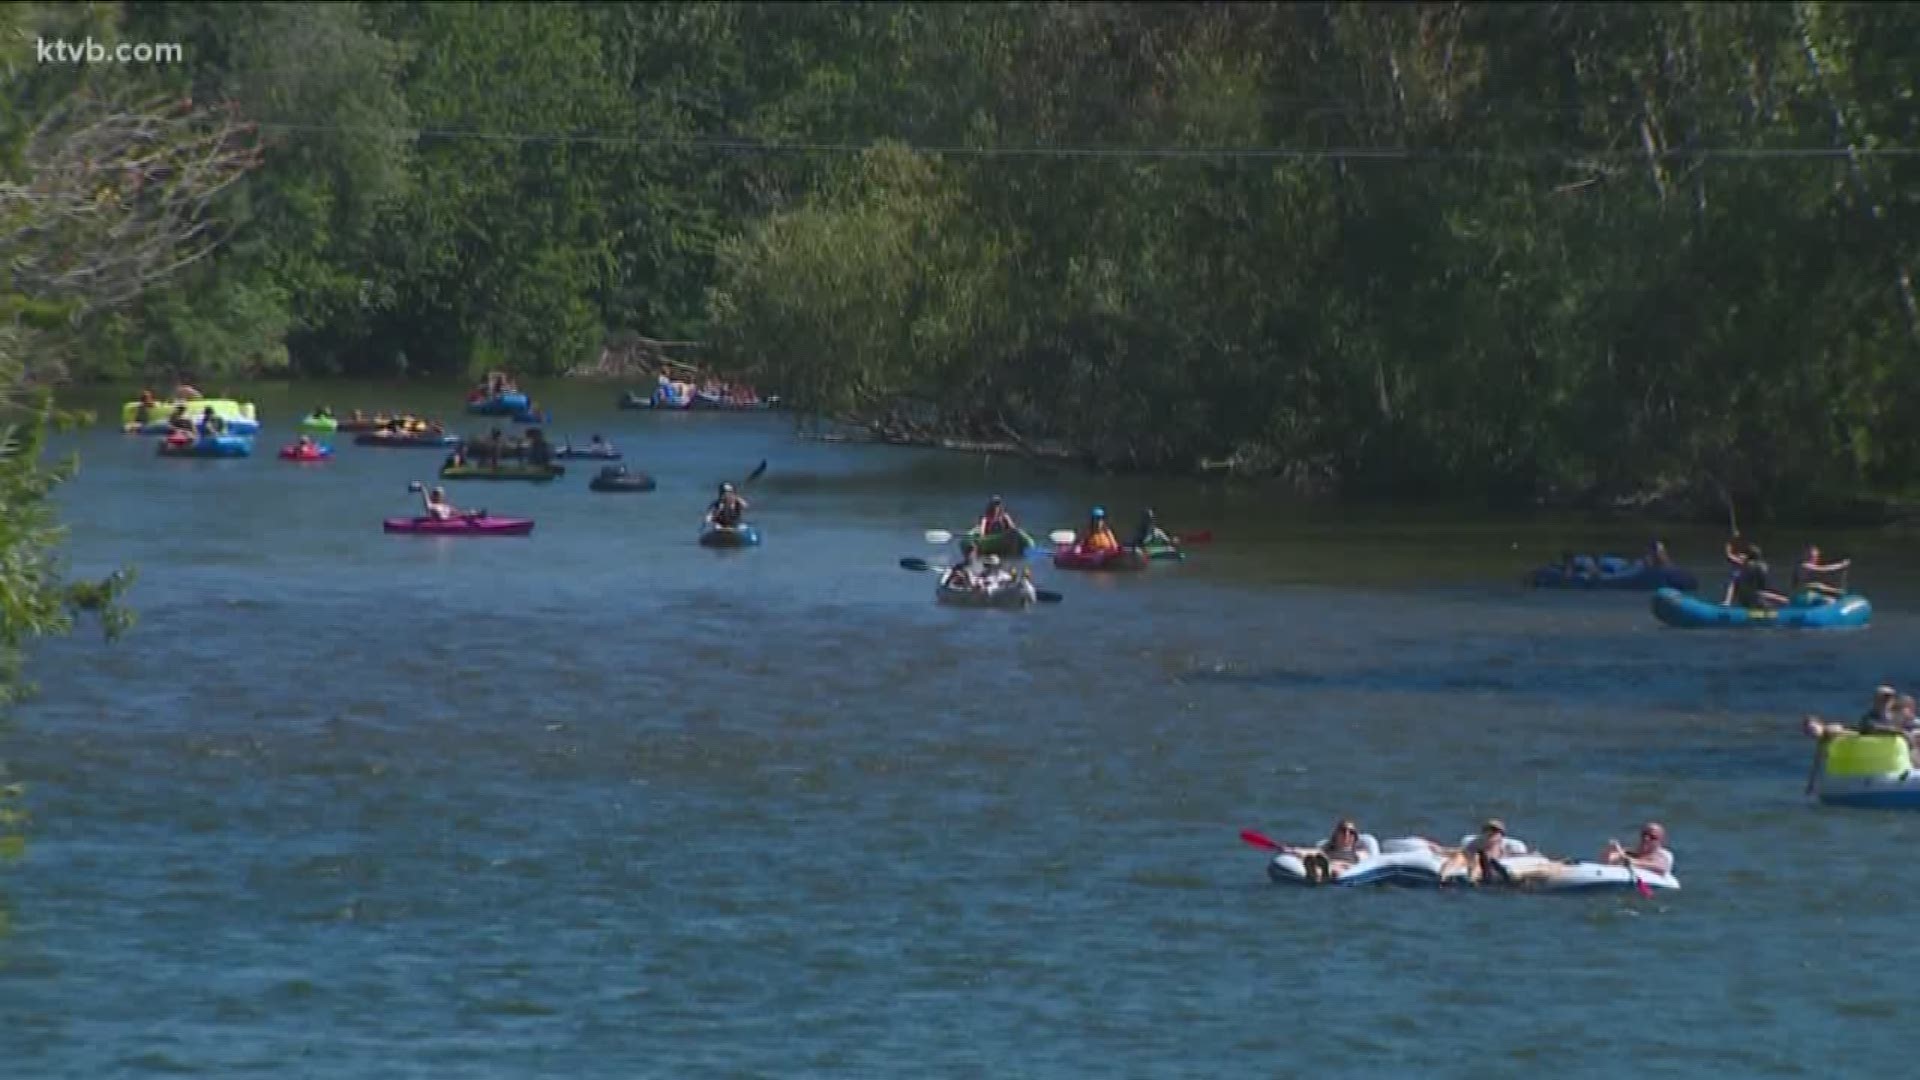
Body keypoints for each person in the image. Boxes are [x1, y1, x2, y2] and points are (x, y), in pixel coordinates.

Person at [1283, 818, 1382, 883]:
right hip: (1326, 864)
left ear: (1355, 837)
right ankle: (1317, 873)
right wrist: (1291, 850)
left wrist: (1343, 865)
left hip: (1344, 870)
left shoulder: (1358, 853)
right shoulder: (1325, 850)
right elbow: (1312, 851)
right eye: (1343, 831)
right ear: (1336, 834)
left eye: (1351, 832)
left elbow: (1367, 865)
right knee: (1316, 859)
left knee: (1337, 869)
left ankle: (1321, 873)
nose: (1347, 834)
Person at [1722, 539, 1784, 608]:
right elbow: (1731, 557)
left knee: (1735, 580)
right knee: (1734, 579)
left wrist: (1730, 545)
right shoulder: (1752, 564)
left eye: (1742, 554)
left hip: (1755, 598)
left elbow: (1730, 556)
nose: (1739, 555)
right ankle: (1728, 602)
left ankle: (1728, 602)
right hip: (1752, 597)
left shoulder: (1750, 564)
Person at [1602, 822, 1674, 876]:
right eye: (1644, 834)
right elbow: (1607, 861)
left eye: (1652, 837)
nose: (1646, 838)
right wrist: (1609, 849)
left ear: (1660, 841)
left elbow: (1661, 867)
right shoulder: (1630, 851)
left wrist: (1633, 862)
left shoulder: (1660, 856)